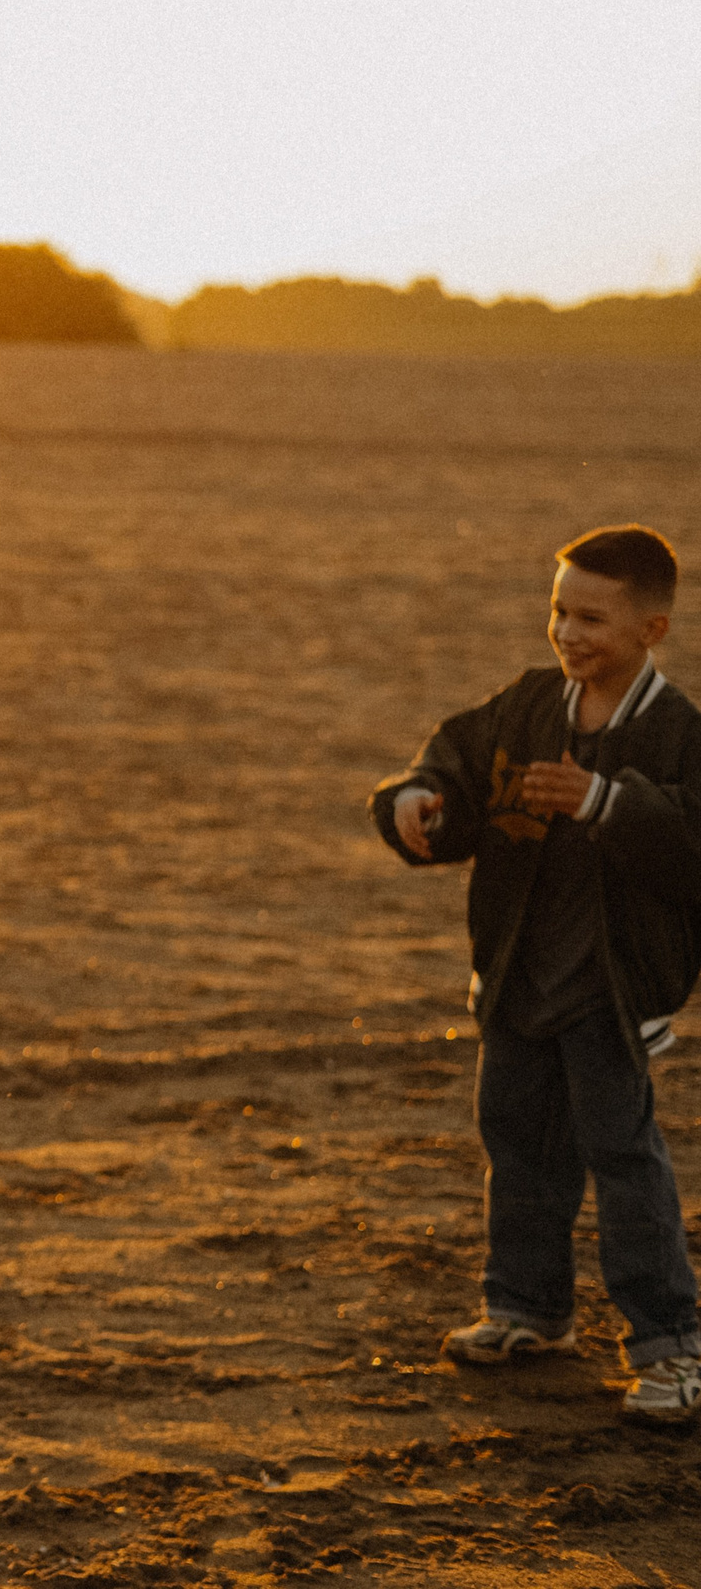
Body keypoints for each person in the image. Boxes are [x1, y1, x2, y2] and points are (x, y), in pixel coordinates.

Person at [371, 524, 701, 1423]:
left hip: (609, 990)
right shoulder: (526, 706)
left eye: (593, 616)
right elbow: (455, 759)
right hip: (518, 981)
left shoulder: (677, 733)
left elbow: (693, 841)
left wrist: (607, 803)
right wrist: (415, 800)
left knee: (623, 1160)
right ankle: (528, 1307)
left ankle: (673, 1348)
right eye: (559, 609)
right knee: (518, 1148)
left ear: (652, 628)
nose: (567, 631)